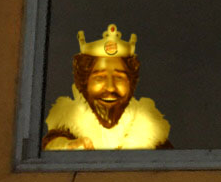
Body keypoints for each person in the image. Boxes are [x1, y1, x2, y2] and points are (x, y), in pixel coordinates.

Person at [43, 23, 171, 150]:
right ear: (84, 82)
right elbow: (51, 148)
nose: (110, 88)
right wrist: (66, 146)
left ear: (130, 83)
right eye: (99, 78)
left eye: (119, 78)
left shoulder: (151, 135)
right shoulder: (67, 126)